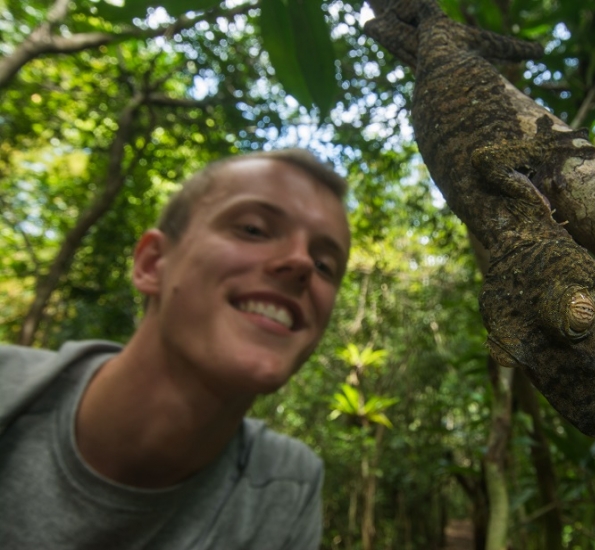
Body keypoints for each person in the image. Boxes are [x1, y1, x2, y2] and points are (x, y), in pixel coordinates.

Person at [0, 149, 351, 549]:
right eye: (253, 229)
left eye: (325, 265)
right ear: (152, 264)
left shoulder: (287, 484)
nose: (301, 263)